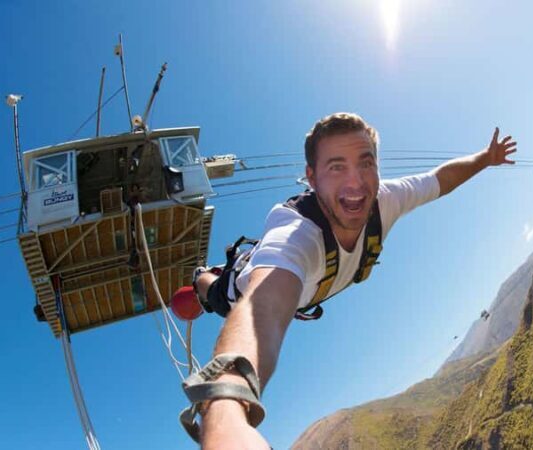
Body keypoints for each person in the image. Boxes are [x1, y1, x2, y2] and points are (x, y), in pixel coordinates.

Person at [184, 112, 516, 448]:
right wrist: (227, 403)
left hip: (305, 292)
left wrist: (485, 159)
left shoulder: (388, 198)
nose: (356, 182)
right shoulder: (295, 236)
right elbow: (262, 311)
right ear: (311, 178)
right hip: (246, 285)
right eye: (336, 167)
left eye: (365, 163)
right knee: (218, 297)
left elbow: (439, 179)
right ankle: (201, 277)